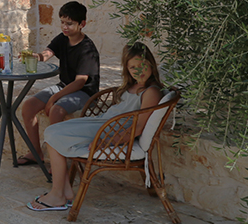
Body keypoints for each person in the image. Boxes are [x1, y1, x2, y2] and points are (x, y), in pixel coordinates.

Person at [26, 42, 164, 211]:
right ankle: (64, 190)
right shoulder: (134, 85)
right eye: (132, 67)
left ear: (150, 63)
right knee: (53, 133)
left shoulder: (150, 92)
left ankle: (57, 195)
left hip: (108, 131)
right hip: (102, 123)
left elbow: (139, 127)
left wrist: (106, 141)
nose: (138, 71)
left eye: (142, 65)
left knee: (53, 134)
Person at [16, 1, 100, 166]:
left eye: (69, 23)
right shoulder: (63, 39)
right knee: (28, 106)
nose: (65, 27)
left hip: (85, 92)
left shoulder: (87, 49)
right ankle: (35, 153)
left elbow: (79, 83)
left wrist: (54, 97)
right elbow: (46, 54)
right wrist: (34, 56)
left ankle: (58, 164)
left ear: (82, 24)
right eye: (62, 22)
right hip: (64, 87)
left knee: (56, 111)